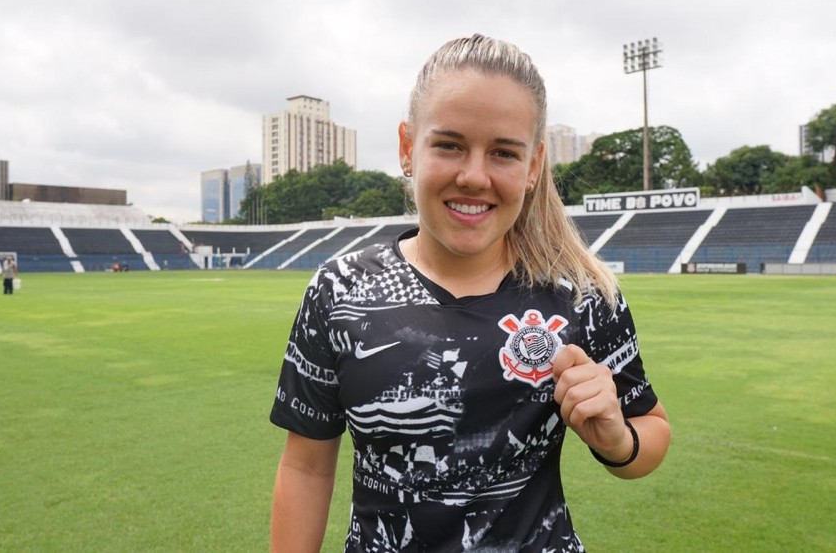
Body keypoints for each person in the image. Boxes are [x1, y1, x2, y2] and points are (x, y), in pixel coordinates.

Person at [269, 34, 671, 552]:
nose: (474, 176)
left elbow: (651, 431)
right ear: (408, 147)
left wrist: (618, 440)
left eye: (503, 152)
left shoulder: (582, 295)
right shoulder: (339, 289)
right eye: (449, 144)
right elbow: (305, 468)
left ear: (532, 167)